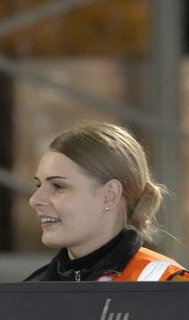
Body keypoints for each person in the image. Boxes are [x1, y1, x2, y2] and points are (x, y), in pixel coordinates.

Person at [26, 121, 186, 282]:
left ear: (110, 195)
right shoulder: (28, 291)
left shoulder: (168, 284)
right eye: (39, 185)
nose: (35, 200)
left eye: (58, 186)